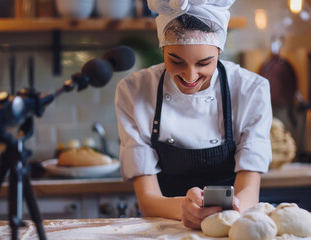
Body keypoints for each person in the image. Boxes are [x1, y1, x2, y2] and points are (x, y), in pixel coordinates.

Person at [114, 0, 272, 229]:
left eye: (204, 63)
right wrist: (184, 209)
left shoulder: (250, 90)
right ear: (162, 50)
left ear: (219, 52)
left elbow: (249, 189)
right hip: (163, 225)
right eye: (176, 61)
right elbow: (148, 199)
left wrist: (221, 214)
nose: (190, 76)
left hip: (231, 223)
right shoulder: (135, 91)